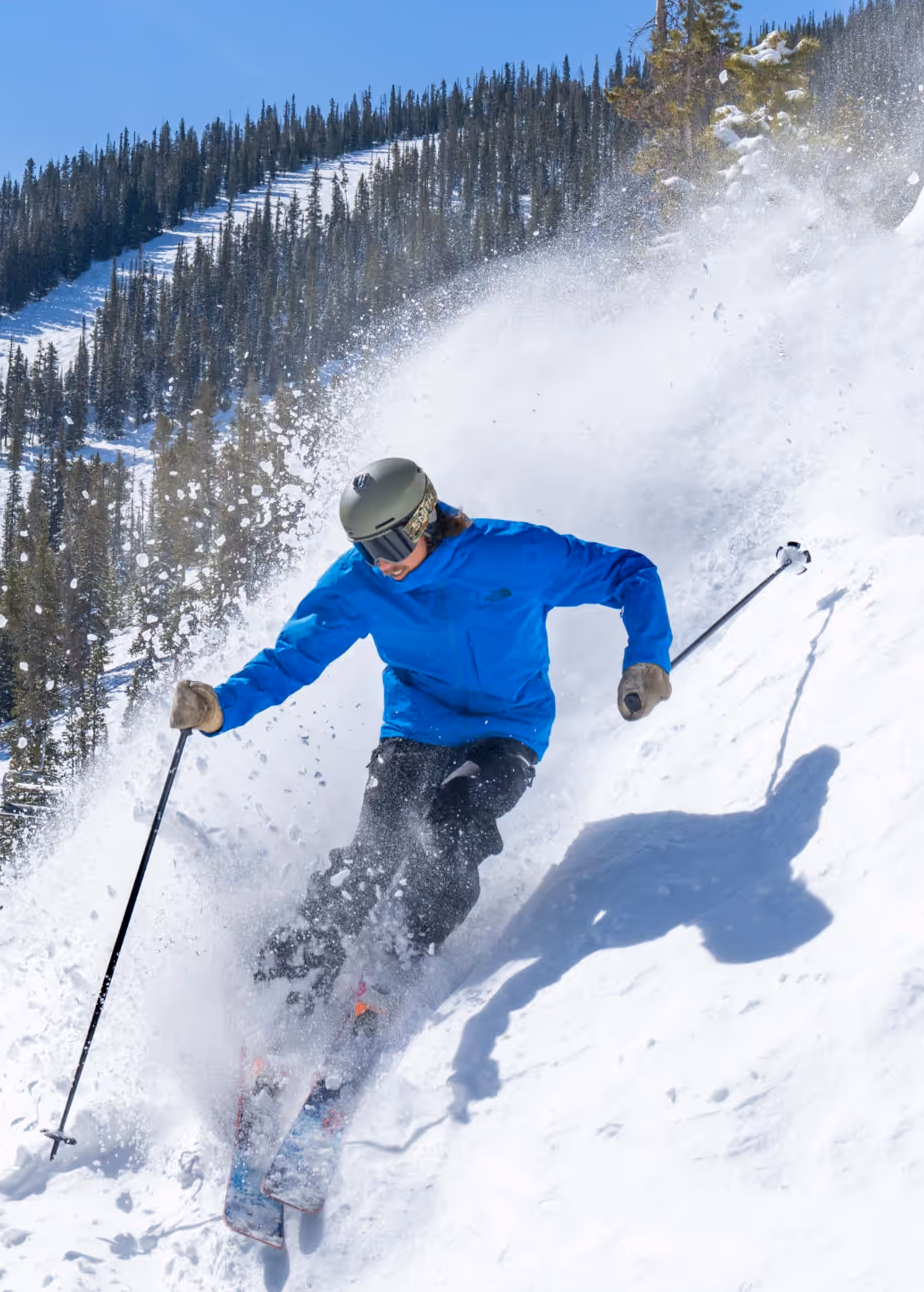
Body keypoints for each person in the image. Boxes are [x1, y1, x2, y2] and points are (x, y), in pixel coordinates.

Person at [171, 457, 673, 1240]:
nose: (387, 560)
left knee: (453, 834)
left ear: (428, 513)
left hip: (509, 732)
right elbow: (293, 657)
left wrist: (646, 656)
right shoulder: (359, 582)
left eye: (396, 539)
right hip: (414, 727)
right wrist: (220, 708)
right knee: (370, 859)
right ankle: (287, 986)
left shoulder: (513, 554)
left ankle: (393, 971)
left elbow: (629, 573)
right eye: (371, 548)